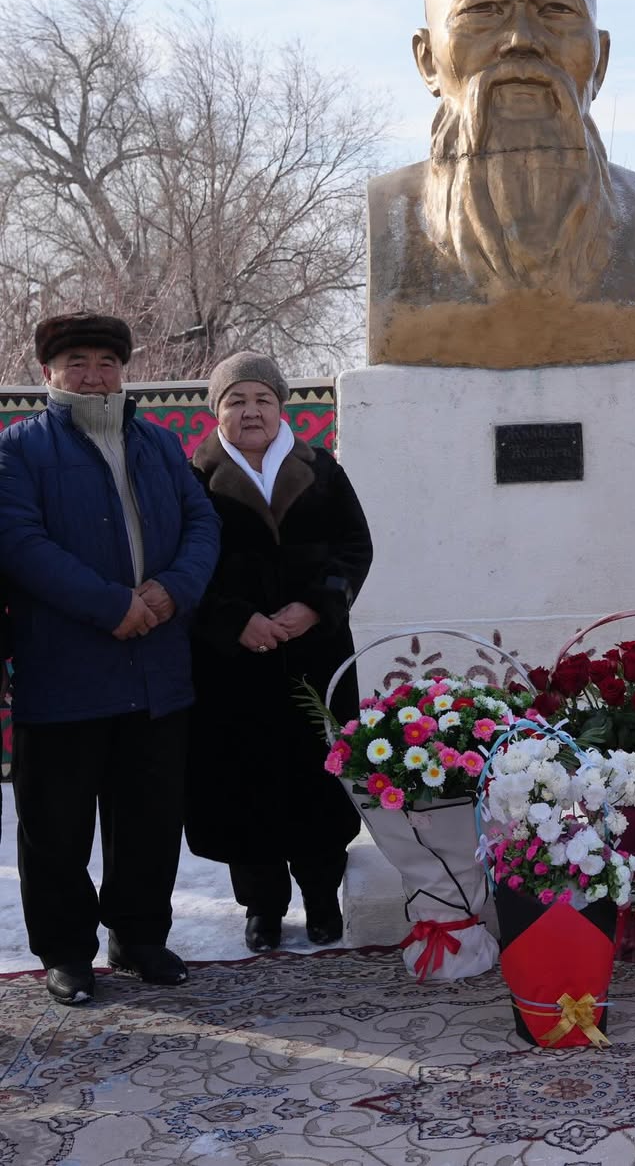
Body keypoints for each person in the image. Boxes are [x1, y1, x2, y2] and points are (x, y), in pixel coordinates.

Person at [367, 0, 635, 368]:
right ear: (427, 61)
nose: (522, 38)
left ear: (600, 61)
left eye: (557, 10)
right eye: (482, 8)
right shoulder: (393, 221)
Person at [0, 312, 220, 1003]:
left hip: (156, 670)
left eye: (105, 361)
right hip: (63, 670)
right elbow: (22, 543)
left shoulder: (159, 445)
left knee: (150, 818)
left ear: (123, 370)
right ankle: (66, 950)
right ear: (48, 374)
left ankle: (140, 935)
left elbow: (202, 524)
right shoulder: (18, 451)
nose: (93, 374)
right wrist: (111, 604)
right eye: (77, 362)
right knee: (57, 826)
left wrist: (168, 594)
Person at [185, 351, 373, 953]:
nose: (251, 411)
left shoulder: (322, 470)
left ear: (281, 406)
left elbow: (355, 546)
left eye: (262, 399)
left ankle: (321, 899)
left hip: (316, 654)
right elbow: (183, 562)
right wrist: (234, 621)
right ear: (218, 412)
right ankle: (262, 907)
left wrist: (317, 605)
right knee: (245, 781)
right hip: (232, 664)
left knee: (319, 776)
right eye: (236, 400)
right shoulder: (194, 478)